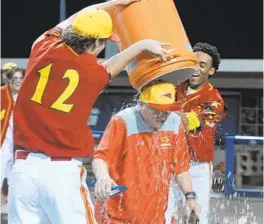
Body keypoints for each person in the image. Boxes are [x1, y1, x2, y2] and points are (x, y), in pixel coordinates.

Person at [8, 0, 173, 223]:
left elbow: (74, 19)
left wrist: (111, 3)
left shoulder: (42, 48)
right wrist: (142, 44)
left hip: (23, 171)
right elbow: (113, 67)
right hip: (60, 173)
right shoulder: (92, 73)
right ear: (97, 42)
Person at [92, 81, 199, 224]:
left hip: (155, 216)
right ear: (142, 104)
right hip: (116, 215)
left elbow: (181, 168)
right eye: (156, 110)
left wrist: (190, 197)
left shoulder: (174, 122)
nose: (161, 116)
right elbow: (100, 157)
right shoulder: (122, 121)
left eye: (166, 111)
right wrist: (103, 177)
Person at [165, 42, 227, 224]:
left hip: (197, 167)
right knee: (163, 213)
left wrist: (163, 110)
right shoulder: (174, 88)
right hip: (170, 162)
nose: (195, 69)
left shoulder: (215, 100)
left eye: (202, 65)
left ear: (211, 71)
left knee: (196, 218)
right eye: (193, 63)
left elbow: (189, 122)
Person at [1, 67, 24, 214]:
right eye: (14, 78)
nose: (17, 81)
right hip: (3, 144)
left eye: (20, 78)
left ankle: (11, 205)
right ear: (9, 80)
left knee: (15, 177)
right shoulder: (2, 94)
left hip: (19, 145)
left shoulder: (27, 95)